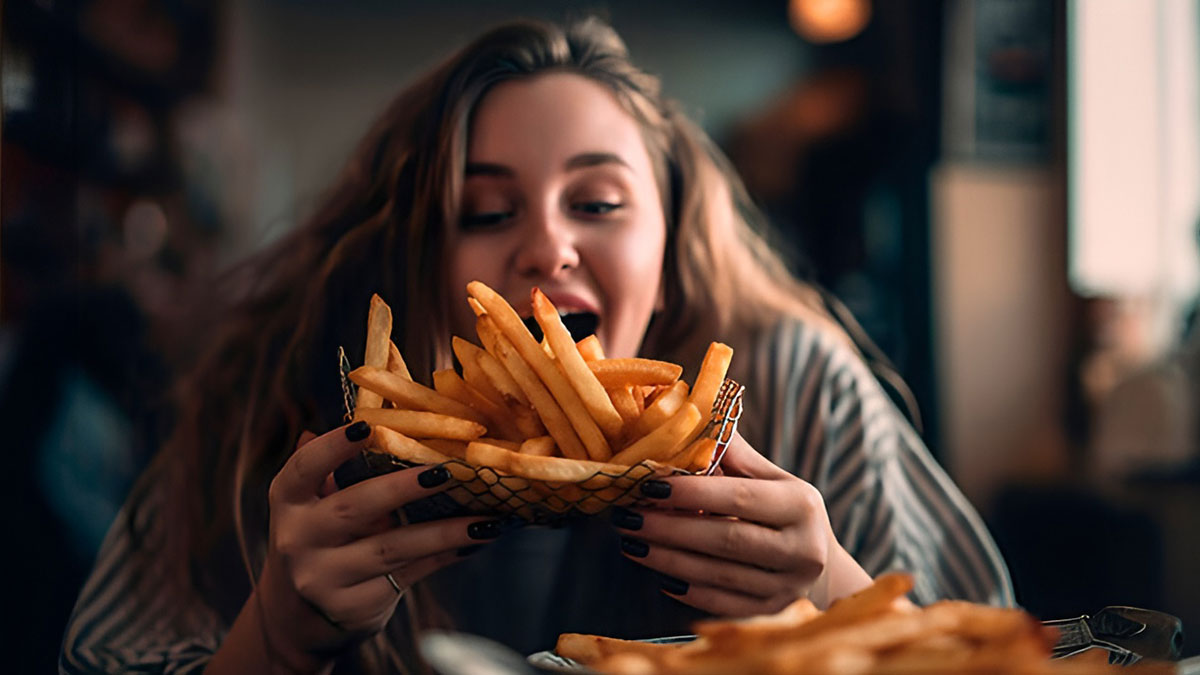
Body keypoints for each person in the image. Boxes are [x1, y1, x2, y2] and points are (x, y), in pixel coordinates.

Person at [60, 17, 1012, 675]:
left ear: (672, 253)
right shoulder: (270, 404)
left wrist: (834, 599)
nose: (548, 245)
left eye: (598, 202)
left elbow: (1004, 652)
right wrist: (274, 638)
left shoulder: (794, 383)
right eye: (484, 209)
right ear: (413, 251)